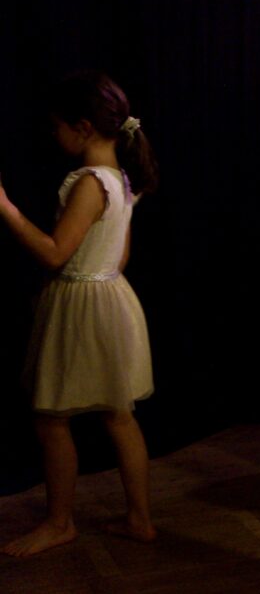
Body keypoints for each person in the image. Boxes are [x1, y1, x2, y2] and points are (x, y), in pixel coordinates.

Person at [0, 71, 158, 556]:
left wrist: (4, 207)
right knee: (119, 416)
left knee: (52, 420)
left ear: (83, 127)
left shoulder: (91, 183)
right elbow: (121, 257)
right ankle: (140, 520)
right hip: (110, 297)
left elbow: (54, 253)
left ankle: (59, 522)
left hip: (83, 304)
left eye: (58, 126)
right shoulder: (122, 179)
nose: (54, 135)